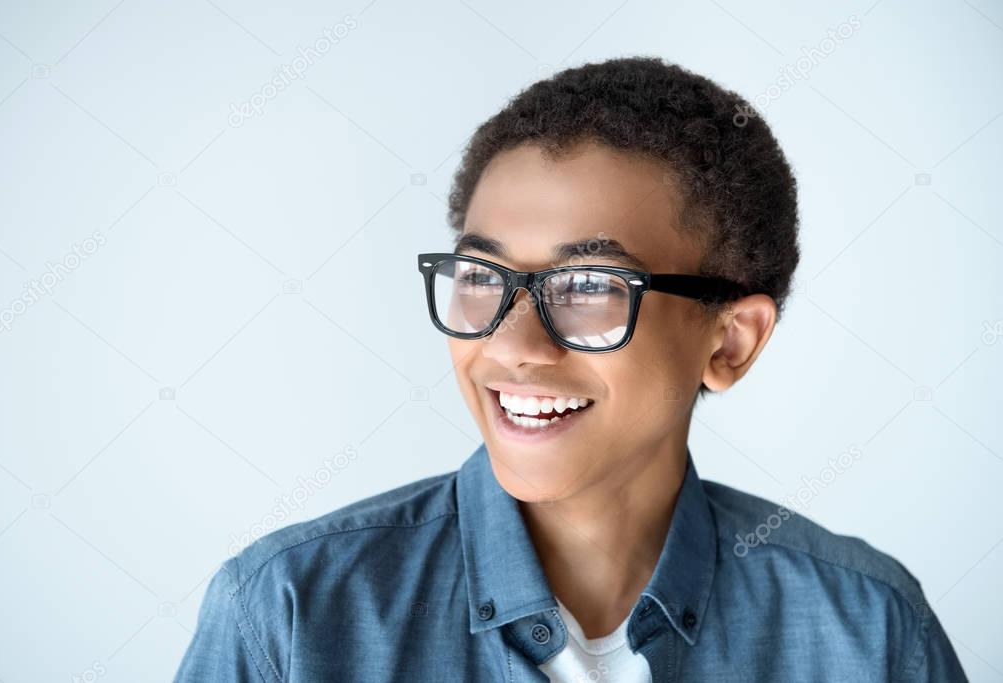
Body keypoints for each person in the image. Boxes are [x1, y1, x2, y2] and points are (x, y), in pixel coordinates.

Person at [174, 56, 966, 682]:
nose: (513, 343)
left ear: (728, 342)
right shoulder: (286, 615)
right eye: (483, 275)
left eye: (588, 286)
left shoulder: (870, 630)